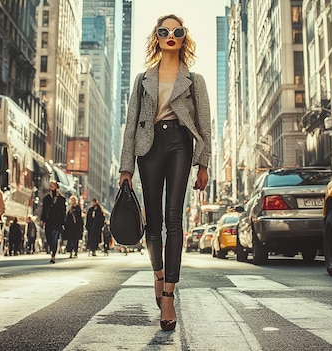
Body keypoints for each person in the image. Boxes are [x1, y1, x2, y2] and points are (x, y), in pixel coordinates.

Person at [118, 14, 211, 331]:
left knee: (174, 217)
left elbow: (204, 126)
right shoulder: (142, 80)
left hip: (180, 145)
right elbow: (131, 124)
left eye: (177, 31)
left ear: (184, 38)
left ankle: (169, 293)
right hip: (149, 145)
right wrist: (126, 167)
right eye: (164, 31)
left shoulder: (194, 80)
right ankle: (158, 275)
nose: (170, 35)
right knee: (154, 220)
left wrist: (204, 163)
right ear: (156, 38)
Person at [40, 180, 67, 263]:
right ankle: (52, 250)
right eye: (50, 185)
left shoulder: (61, 199)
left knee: (54, 238)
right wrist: (42, 220)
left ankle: (53, 254)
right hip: (49, 221)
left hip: (57, 222)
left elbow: (63, 211)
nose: (51, 187)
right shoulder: (47, 198)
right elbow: (44, 210)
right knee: (49, 238)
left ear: (56, 186)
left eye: (53, 185)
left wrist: (63, 222)